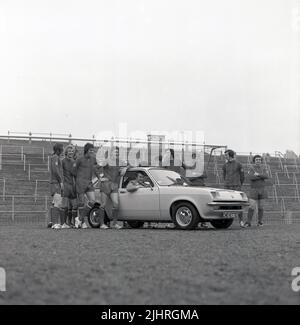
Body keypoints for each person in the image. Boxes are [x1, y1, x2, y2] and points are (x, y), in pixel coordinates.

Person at [75, 143, 106, 229]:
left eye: (93, 150)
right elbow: (74, 171)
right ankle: (83, 223)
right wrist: (76, 181)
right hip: (80, 183)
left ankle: (80, 219)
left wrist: (99, 177)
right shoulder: (79, 159)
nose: (92, 152)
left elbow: (96, 167)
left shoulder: (93, 159)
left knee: (92, 201)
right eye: (90, 150)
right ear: (86, 150)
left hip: (89, 183)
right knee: (81, 203)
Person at [97, 146, 129, 229]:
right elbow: (96, 168)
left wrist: (125, 168)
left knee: (116, 204)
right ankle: (101, 224)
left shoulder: (119, 161)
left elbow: (130, 165)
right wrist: (100, 177)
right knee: (103, 204)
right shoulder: (106, 161)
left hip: (114, 185)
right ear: (111, 153)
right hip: (105, 185)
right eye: (115, 152)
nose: (117, 154)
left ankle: (114, 223)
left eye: (118, 152)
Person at [244, 155, 269, 227]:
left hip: (262, 189)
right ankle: (248, 222)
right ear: (254, 161)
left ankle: (260, 222)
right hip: (253, 189)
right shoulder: (251, 168)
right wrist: (261, 176)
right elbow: (251, 177)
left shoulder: (264, 168)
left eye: (259, 159)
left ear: (261, 161)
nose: (258, 161)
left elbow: (266, 176)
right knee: (251, 206)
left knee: (261, 207)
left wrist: (258, 174)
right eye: (256, 159)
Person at [222, 149, 245, 227]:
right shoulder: (224, 165)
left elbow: (242, 176)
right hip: (227, 187)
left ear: (230, 155)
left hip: (236, 187)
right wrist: (226, 183)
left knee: (238, 204)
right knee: (226, 204)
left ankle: (241, 221)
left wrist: (239, 184)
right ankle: (226, 221)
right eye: (224, 155)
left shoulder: (239, 164)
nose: (225, 156)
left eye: (226, 155)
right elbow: (224, 176)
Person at [48, 143, 65, 229]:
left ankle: (52, 222)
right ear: (59, 150)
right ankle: (55, 223)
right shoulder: (55, 157)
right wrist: (61, 181)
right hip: (56, 183)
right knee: (58, 202)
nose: (63, 151)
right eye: (62, 149)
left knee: (55, 202)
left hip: (54, 182)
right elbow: (55, 170)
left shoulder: (54, 157)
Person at [61, 145, 77, 228]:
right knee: (65, 205)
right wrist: (61, 183)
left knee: (74, 205)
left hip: (72, 185)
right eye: (69, 151)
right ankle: (63, 223)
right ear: (66, 152)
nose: (71, 152)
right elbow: (60, 173)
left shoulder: (74, 161)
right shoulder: (63, 161)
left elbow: (75, 174)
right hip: (66, 184)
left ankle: (71, 223)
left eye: (72, 151)